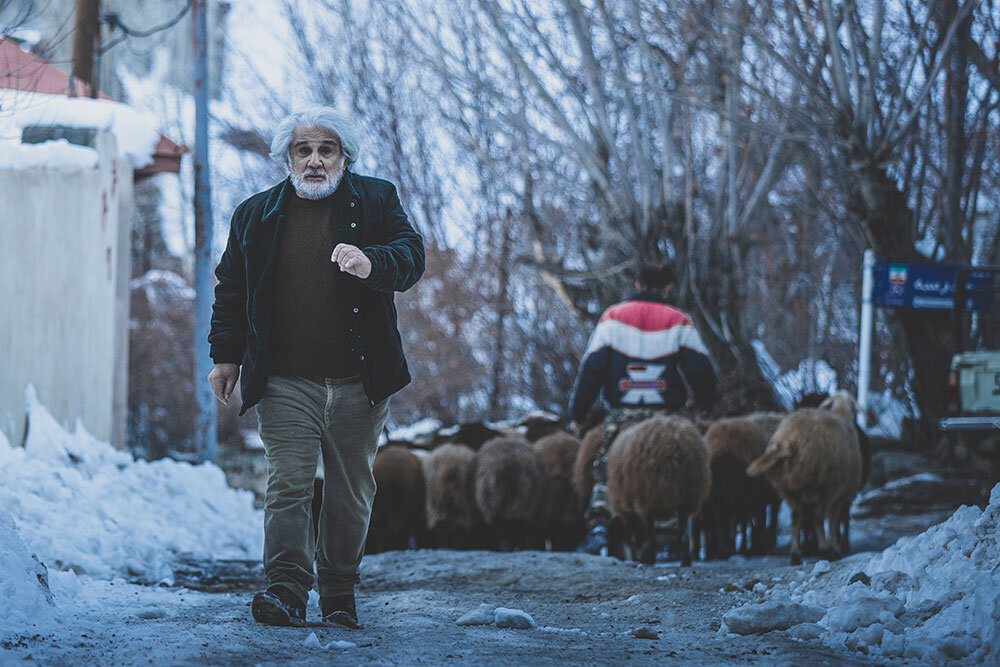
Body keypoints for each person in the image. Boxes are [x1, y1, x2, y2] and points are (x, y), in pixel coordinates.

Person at [207, 106, 425, 628]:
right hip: (284, 381)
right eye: (303, 150)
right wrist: (225, 356)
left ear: (344, 157)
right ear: (287, 158)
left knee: (351, 491)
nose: (314, 160)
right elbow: (231, 287)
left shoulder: (377, 199)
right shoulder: (255, 214)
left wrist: (372, 263)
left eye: (326, 150)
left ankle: (338, 595)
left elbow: (412, 256)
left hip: (359, 381)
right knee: (289, 483)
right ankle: (285, 588)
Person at [568, 262, 716, 555]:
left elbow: (592, 369)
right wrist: (705, 403)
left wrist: (578, 414)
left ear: (637, 285)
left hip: (623, 413)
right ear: (667, 288)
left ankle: (600, 525)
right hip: (666, 416)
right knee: (671, 465)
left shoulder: (612, 318)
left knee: (607, 466)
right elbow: (700, 369)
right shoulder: (679, 321)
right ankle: (668, 534)